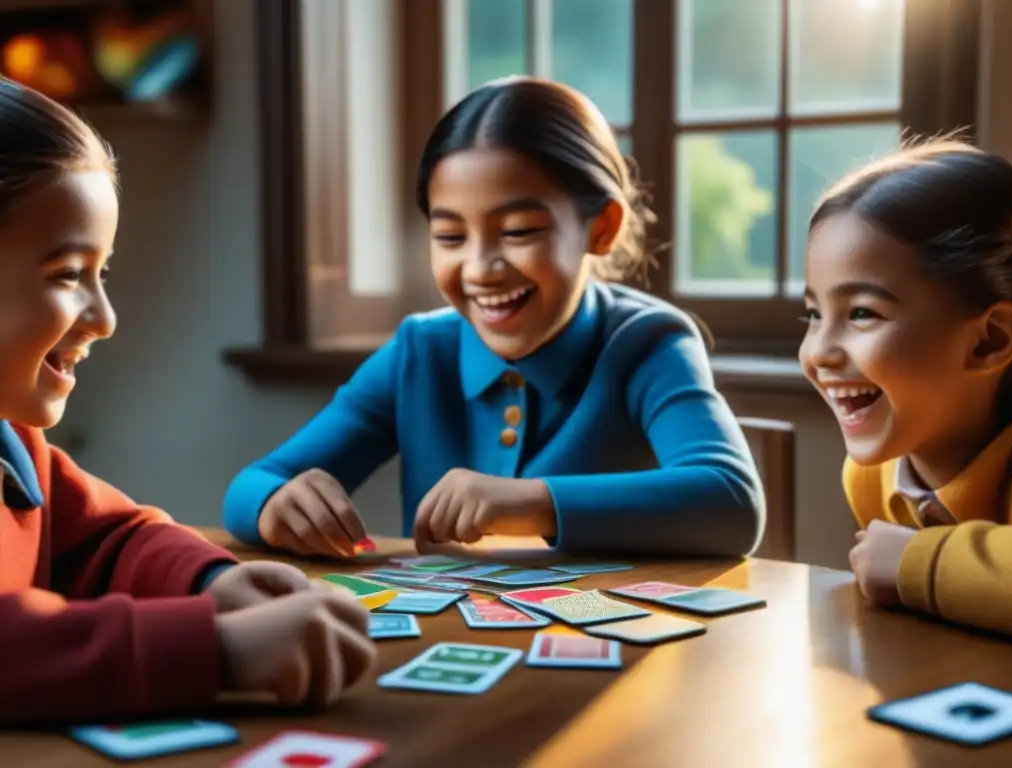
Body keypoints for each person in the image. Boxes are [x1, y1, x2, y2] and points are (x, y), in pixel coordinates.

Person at [224, 76, 765, 559]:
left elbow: (732, 501)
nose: (481, 268)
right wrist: (275, 500)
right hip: (448, 652)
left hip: (607, 654)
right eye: (450, 237)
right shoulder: (419, 352)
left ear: (601, 229)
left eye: (519, 231)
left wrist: (527, 502)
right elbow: (253, 484)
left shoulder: (648, 343)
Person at [0, 78, 375, 723]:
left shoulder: (16, 445)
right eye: (68, 275)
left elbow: (104, 541)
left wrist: (210, 582)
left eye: (103, 273)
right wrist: (218, 647)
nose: (106, 317)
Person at [800, 139, 1012, 638]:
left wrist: (914, 564)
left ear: (989, 341)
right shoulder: (872, 477)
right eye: (814, 315)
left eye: (861, 313)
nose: (818, 352)